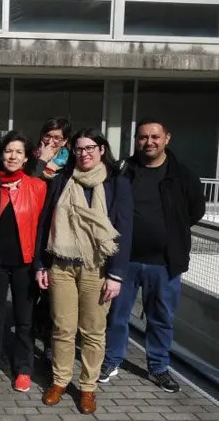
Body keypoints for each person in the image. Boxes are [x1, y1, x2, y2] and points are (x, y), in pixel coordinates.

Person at [101, 118, 205, 393]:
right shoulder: (124, 170)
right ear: (136, 140)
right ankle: (111, 360)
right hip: (125, 261)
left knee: (161, 318)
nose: (149, 142)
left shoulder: (183, 175)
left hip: (165, 263)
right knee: (117, 315)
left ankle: (158, 367)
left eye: (155, 137)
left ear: (167, 138)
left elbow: (195, 211)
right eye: (143, 137)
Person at [35, 129, 133, 414]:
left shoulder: (117, 184)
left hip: (97, 267)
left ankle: (88, 387)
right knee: (62, 328)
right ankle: (60, 381)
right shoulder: (62, 179)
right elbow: (45, 223)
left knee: (92, 331)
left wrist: (116, 275)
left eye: (90, 148)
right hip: (62, 266)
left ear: (102, 150)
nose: (84, 153)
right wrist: (41, 264)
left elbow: (124, 231)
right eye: (78, 149)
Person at [0, 131, 46, 393]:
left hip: (25, 263)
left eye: (19, 151)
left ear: (26, 156)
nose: (13, 156)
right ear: (1, 153)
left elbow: (42, 230)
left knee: (24, 319)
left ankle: (24, 369)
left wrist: (41, 264)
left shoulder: (37, 186)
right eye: (8, 150)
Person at [31, 117, 72, 363]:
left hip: (55, 233)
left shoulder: (69, 165)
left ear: (65, 140)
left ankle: (49, 344)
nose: (51, 141)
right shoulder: (31, 158)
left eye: (57, 137)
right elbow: (32, 184)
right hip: (31, 229)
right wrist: (41, 160)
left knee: (52, 296)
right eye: (48, 135)